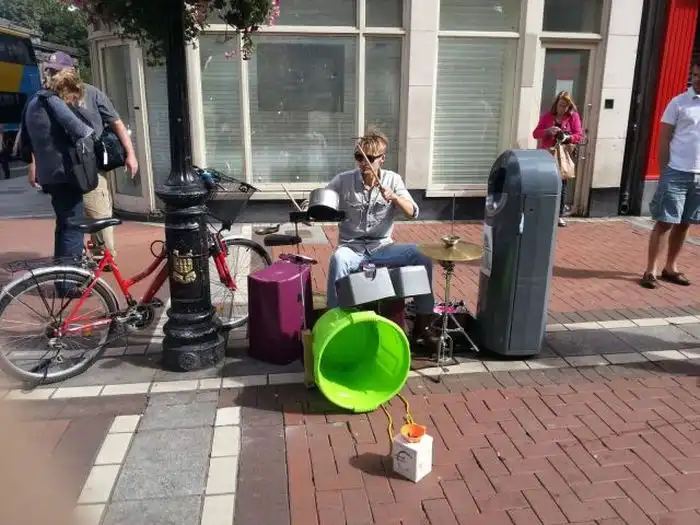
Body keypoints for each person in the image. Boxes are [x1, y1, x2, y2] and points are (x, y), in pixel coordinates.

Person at [323, 130, 437, 347]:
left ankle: (423, 326)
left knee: (421, 255)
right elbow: (323, 201)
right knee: (338, 260)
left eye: (369, 158)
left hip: (382, 246)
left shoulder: (393, 179)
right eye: (359, 157)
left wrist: (394, 198)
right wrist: (312, 211)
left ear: (382, 158)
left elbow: (413, 212)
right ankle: (335, 321)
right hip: (352, 246)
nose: (362, 163)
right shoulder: (343, 180)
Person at [38, 51, 138, 259]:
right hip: (62, 170)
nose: (53, 76)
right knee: (68, 222)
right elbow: (36, 135)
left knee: (99, 215)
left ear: (72, 72)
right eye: (51, 71)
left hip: (89, 166)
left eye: (58, 71)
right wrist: (33, 165)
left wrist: (130, 154)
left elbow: (116, 122)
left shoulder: (92, 93)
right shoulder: (46, 98)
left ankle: (103, 257)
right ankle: (73, 262)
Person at [19, 71, 95, 292]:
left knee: (63, 227)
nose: (72, 100)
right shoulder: (52, 101)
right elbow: (82, 130)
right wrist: (79, 109)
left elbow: (24, 141)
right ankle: (69, 285)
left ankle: (62, 279)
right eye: (73, 96)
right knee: (73, 227)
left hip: (48, 175)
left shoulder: (32, 101)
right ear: (67, 89)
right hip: (66, 174)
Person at [640, 60, 700, 289]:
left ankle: (670, 267)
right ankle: (651, 271)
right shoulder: (679, 103)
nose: (696, 80)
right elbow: (664, 137)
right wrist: (665, 170)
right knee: (665, 222)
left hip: (698, 175)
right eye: (694, 75)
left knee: (685, 223)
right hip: (676, 172)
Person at [533, 90, 584, 227]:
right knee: (545, 183)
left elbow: (579, 136)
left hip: (562, 156)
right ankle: (543, 212)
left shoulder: (573, 117)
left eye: (566, 106)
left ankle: (559, 215)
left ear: (569, 107)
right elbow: (535, 134)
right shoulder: (547, 116)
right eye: (560, 105)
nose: (562, 109)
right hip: (547, 155)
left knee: (562, 185)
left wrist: (567, 137)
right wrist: (548, 131)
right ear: (556, 104)